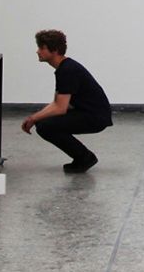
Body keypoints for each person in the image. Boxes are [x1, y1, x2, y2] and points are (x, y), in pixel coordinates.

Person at [21, 29, 111, 173]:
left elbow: (60, 108)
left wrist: (33, 118)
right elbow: (57, 102)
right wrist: (36, 117)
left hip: (95, 117)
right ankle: (83, 157)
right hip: (89, 113)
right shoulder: (64, 68)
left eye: (41, 48)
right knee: (43, 123)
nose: (37, 51)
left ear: (54, 50)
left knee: (45, 127)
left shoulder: (68, 70)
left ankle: (85, 157)